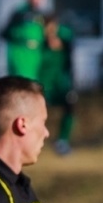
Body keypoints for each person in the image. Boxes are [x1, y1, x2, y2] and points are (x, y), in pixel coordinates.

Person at [38, 16, 77, 155]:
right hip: (43, 86)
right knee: (36, 114)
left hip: (61, 85)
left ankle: (62, 141)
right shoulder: (40, 45)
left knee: (70, 106)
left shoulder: (65, 43)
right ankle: (34, 140)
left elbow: (70, 35)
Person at [2, 0, 51, 82]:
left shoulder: (43, 15)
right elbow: (5, 33)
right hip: (21, 59)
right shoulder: (20, 13)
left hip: (37, 61)